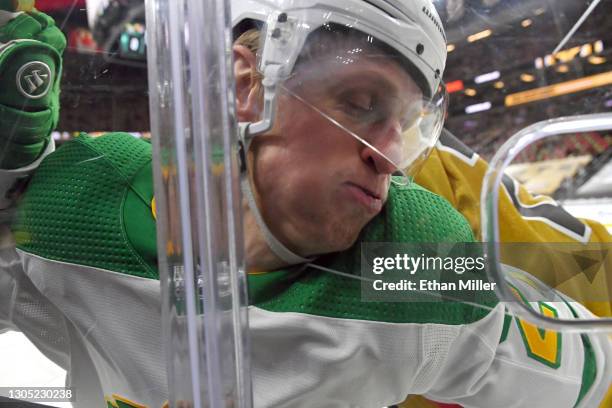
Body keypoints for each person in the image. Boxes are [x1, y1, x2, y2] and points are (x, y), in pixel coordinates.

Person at [0, 1, 610, 407]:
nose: (391, 158)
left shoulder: (408, 261)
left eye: (406, 123)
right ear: (246, 83)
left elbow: (586, 363)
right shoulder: (75, 209)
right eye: (362, 101)